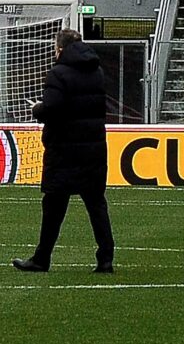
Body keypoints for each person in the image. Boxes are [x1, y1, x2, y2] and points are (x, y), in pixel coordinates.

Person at [14, 30, 114, 275]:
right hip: (93, 148)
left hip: (64, 149)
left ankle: (41, 258)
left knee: (53, 206)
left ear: (60, 49)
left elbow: (53, 109)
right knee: (96, 203)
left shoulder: (58, 73)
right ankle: (106, 258)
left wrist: (37, 109)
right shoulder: (97, 71)